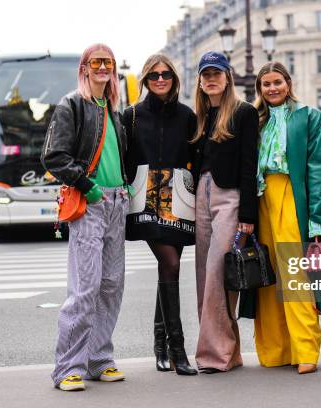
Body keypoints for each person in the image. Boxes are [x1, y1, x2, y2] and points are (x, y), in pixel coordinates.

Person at [42, 44, 129, 391]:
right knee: (85, 287)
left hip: (117, 202)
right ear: (84, 67)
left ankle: (99, 359)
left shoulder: (113, 109)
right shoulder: (72, 105)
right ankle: (67, 368)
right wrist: (87, 185)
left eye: (108, 62)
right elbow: (54, 156)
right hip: (90, 201)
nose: (103, 67)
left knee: (111, 285)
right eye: (97, 62)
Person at [252, 62, 321, 374]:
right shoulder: (255, 120)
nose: (272, 89)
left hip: (291, 195)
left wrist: (319, 222)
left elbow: (319, 169)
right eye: (266, 84)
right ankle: (276, 350)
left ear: (288, 82)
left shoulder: (309, 116)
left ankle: (305, 348)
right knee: (267, 276)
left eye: (277, 82)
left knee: (295, 274)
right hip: (262, 199)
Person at [123, 54, 198, 376]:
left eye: (166, 74)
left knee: (168, 269)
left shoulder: (187, 116)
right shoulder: (131, 115)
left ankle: (159, 346)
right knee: (170, 264)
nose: (160, 79)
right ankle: (177, 350)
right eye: (153, 75)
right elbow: (124, 157)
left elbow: (197, 154)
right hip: (145, 196)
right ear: (145, 80)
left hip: (179, 195)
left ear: (174, 78)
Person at [190, 51, 259, 374]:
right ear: (201, 82)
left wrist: (248, 216)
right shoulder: (200, 115)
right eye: (206, 75)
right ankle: (229, 352)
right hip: (200, 195)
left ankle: (213, 355)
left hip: (229, 196)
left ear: (228, 77)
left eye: (216, 73)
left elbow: (249, 165)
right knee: (205, 276)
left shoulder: (243, 113)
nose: (211, 79)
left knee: (218, 272)